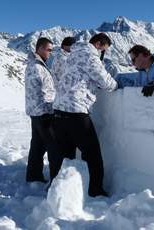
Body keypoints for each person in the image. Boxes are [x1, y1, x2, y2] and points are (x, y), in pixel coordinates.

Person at [52, 33, 117, 197]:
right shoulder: (89, 54)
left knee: (66, 156)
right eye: (104, 50)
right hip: (75, 111)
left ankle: (61, 192)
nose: (104, 53)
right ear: (99, 44)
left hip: (59, 110)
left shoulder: (72, 54)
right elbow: (104, 80)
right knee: (93, 154)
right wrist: (116, 84)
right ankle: (95, 190)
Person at [24, 37, 58, 183]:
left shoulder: (34, 64)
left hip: (35, 112)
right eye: (48, 49)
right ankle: (56, 179)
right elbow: (44, 92)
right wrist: (53, 107)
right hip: (43, 112)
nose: (50, 53)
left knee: (37, 146)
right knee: (53, 147)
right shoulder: (37, 67)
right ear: (39, 48)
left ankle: (33, 176)